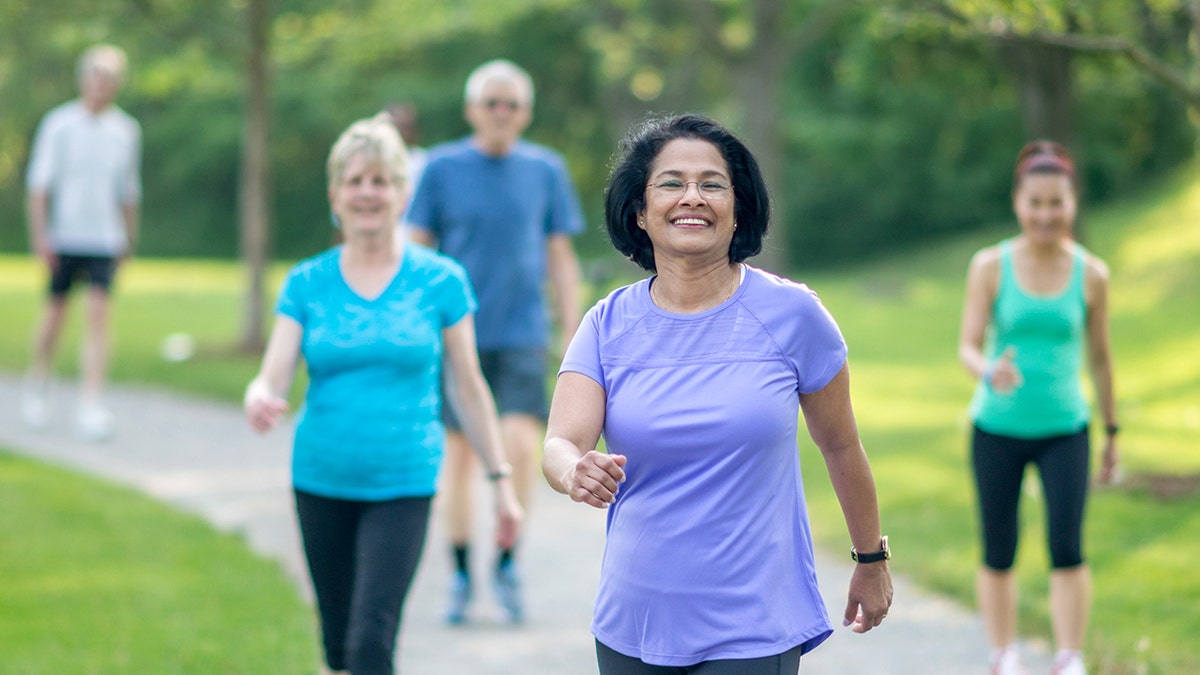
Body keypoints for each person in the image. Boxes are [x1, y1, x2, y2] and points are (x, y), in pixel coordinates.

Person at [542, 113, 893, 673]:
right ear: (640, 210)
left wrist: (871, 559)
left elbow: (841, 446)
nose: (693, 197)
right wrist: (573, 470)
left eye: (712, 184)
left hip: (755, 624)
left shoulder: (794, 315)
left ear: (738, 210)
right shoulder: (607, 324)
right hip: (634, 622)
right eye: (672, 183)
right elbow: (561, 440)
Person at [243, 114, 522, 675]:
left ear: (402, 193)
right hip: (320, 479)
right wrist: (259, 395)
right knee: (338, 645)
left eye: (380, 180)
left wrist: (502, 483)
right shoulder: (306, 282)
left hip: (404, 480)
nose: (367, 192)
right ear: (335, 195)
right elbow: (272, 374)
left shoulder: (440, 280)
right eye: (355, 181)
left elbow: (468, 387)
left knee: (373, 641)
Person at [405, 58, 585, 624]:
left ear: (525, 112)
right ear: (472, 110)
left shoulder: (545, 170)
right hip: (455, 336)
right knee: (459, 455)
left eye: (511, 104)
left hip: (522, 332)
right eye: (491, 103)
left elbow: (560, 255)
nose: (501, 113)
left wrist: (574, 331)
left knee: (518, 447)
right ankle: (460, 570)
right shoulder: (440, 168)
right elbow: (416, 249)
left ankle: (507, 557)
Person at [958, 140, 1119, 675]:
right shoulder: (989, 266)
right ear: (1017, 202)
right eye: (1036, 202)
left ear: (1073, 203)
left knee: (1067, 544)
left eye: (1057, 202)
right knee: (999, 544)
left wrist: (1112, 430)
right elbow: (968, 345)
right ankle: (1004, 655)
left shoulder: (1093, 273)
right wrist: (988, 370)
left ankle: (1069, 658)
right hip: (996, 427)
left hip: (1065, 428)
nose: (1046, 214)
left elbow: (1101, 358)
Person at [21, 43, 142, 440]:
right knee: (55, 316)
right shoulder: (59, 124)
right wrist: (41, 237)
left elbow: (128, 191)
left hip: (104, 238)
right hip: (64, 236)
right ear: (84, 78)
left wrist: (128, 238)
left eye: (109, 77)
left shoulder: (126, 130)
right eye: (96, 74)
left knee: (98, 318)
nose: (102, 83)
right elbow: (39, 187)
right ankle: (38, 383)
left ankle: (90, 401)